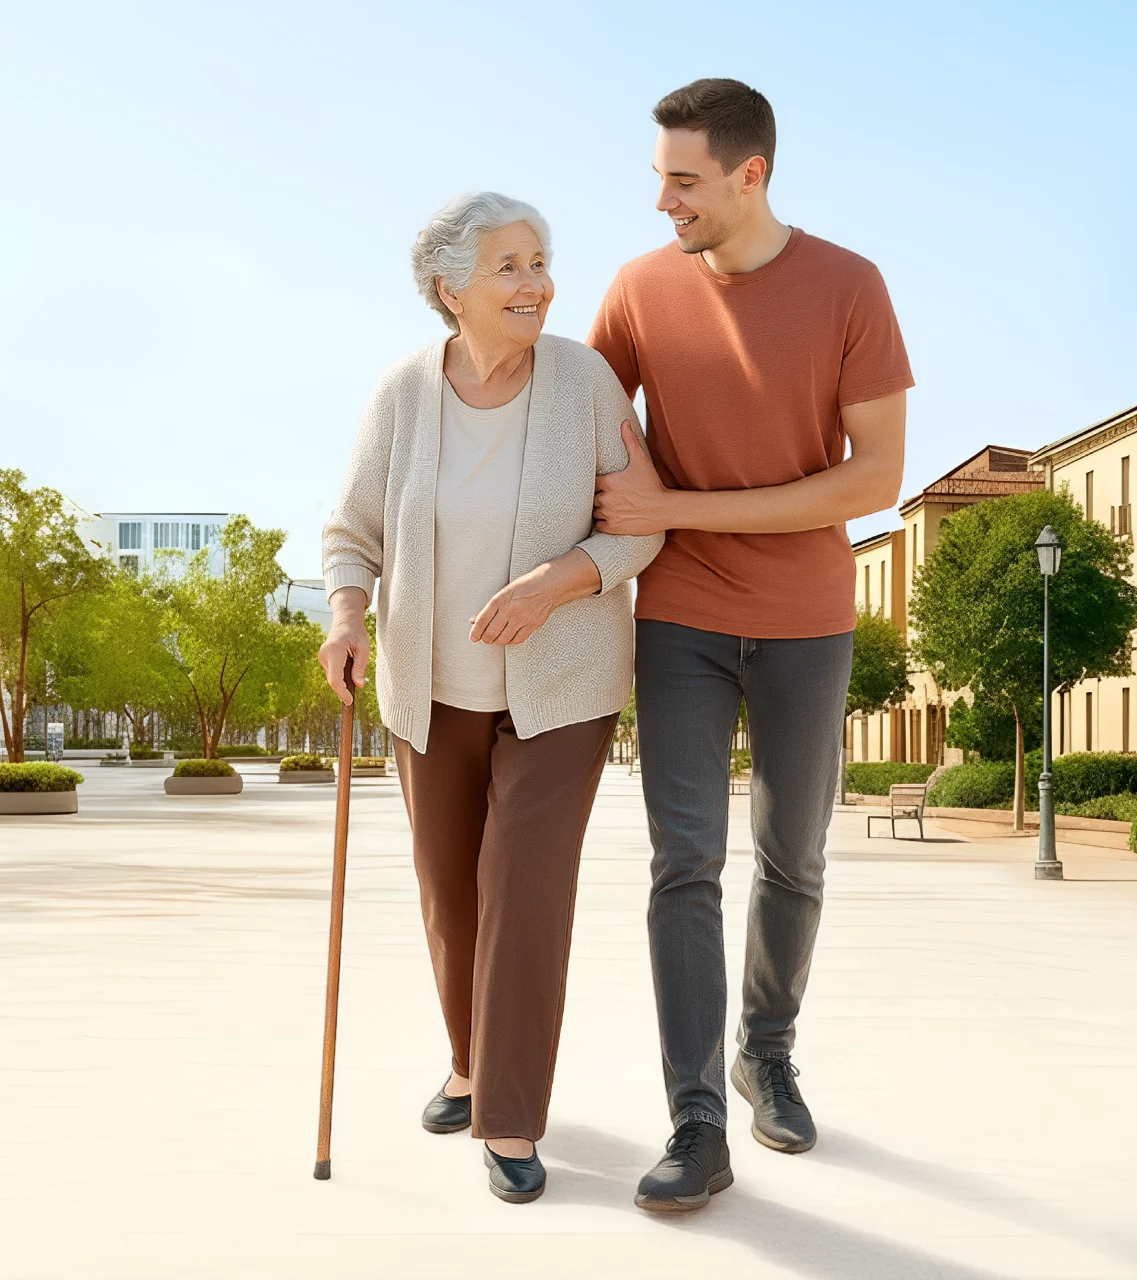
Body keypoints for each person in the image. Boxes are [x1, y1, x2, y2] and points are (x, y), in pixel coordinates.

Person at [588, 79, 911, 1212]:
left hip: (808, 620)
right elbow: (579, 422)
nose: (662, 198)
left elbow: (876, 477)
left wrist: (680, 506)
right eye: (660, 176)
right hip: (676, 618)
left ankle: (764, 1048)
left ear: (749, 174)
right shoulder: (635, 291)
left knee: (793, 855)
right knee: (684, 860)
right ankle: (696, 1114)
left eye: (683, 179)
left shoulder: (849, 286)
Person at [319, 192, 662, 1204]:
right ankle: (469, 1063)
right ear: (450, 288)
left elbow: (641, 523)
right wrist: (346, 618)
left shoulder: (585, 381)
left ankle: (510, 1114)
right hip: (429, 688)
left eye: (542, 261)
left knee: (524, 889)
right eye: (511, 266)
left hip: (563, 687)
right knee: (450, 893)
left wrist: (558, 581)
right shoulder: (402, 394)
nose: (538, 284)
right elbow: (353, 531)